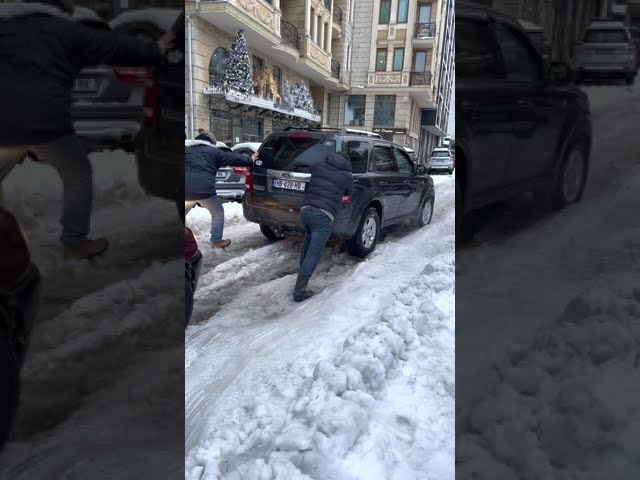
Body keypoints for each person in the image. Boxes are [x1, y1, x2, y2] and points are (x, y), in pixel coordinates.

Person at [0, 0, 175, 259]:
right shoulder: (65, 31)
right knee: (77, 174)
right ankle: (74, 243)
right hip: (47, 125)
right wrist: (155, 48)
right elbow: (114, 47)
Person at [294, 150, 353, 302]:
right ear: (346, 163)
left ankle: (300, 279)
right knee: (313, 254)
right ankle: (299, 292)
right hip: (323, 216)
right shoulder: (347, 175)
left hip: (305, 211)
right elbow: (349, 193)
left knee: (307, 246)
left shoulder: (319, 165)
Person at [185, 131, 259, 248]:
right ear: (210, 142)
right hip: (204, 191)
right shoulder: (214, 152)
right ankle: (216, 241)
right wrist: (250, 159)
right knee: (217, 212)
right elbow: (233, 158)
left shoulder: (187, 150)